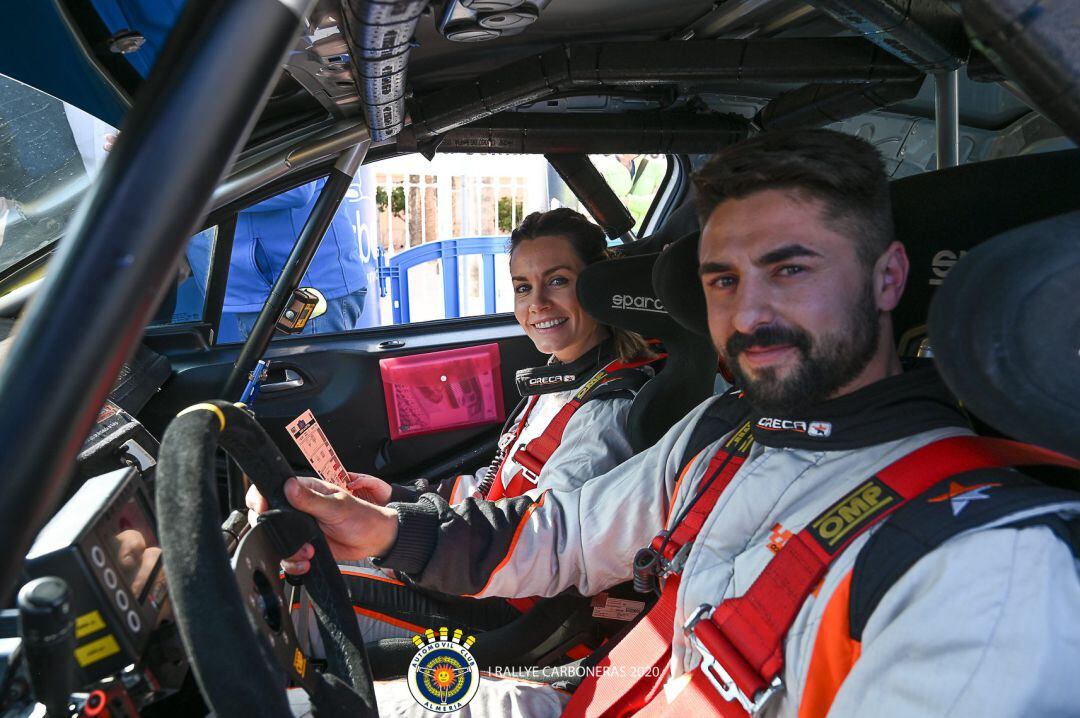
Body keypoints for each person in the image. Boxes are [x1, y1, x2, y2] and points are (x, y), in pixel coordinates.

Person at [250, 129, 1080, 717]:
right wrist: (387, 528)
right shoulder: (726, 427)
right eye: (721, 280)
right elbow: (566, 536)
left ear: (889, 276)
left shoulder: (987, 565)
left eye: (790, 269)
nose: (750, 312)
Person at [291, 207, 658, 645]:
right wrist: (397, 497)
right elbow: (500, 486)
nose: (537, 303)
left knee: (301, 599)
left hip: (501, 605)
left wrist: (399, 530)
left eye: (558, 281)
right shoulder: (560, 380)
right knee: (305, 559)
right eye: (523, 287)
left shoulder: (605, 412)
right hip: (473, 564)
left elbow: (550, 544)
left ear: (601, 288)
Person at [186, 178, 370, 343]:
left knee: (307, 377)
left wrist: (192, 191)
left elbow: (297, 188)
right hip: (254, 290)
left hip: (301, 288)